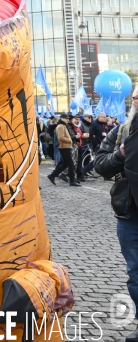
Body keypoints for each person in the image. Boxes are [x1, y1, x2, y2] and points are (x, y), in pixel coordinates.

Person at [95, 87, 138, 342]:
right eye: (136, 97)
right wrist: (120, 154)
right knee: (136, 273)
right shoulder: (120, 130)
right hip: (129, 214)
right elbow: (100, 164)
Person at [47, 113, 81, 187]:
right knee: (70, 164)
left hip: (66, 146)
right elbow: (61, 137)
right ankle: (72, 181)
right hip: (64, 147)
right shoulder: (60, 126)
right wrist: (69, 140)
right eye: (66, 118)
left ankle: (52, 175)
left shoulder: (63, 125)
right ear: (62, 118)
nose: (67, 120)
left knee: (66, 163)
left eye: (68, 118)